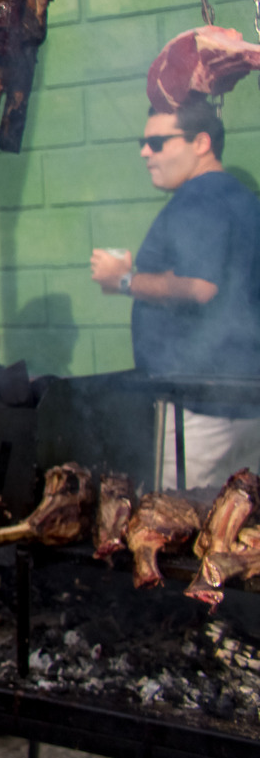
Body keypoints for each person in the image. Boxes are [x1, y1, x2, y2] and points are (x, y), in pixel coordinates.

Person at [90, 97, 260, 488]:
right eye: (142, 143)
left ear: (201, 143)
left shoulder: (198, 198)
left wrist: (124, 280)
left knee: (179, 528)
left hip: (199, 410)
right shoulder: (243, 200)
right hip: (245, 402)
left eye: (158, 142)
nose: (146, 153)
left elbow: (200, 286)